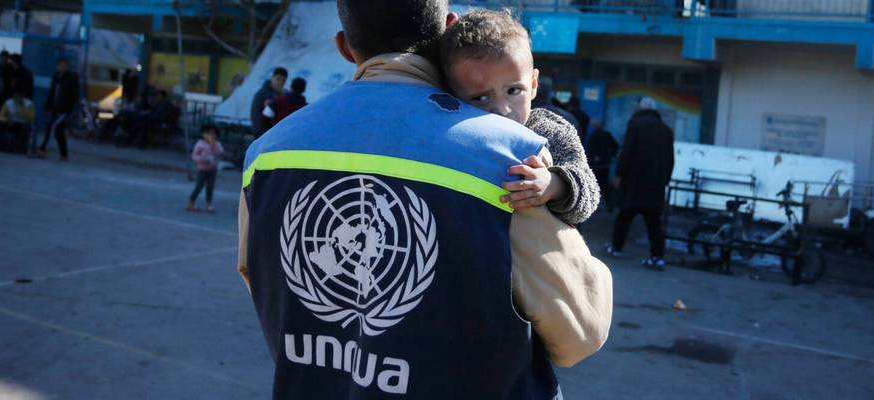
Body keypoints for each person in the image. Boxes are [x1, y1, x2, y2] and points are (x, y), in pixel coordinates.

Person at [237, 1, 612, 397]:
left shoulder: (267, 154)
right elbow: (581, 332)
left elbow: (269, 288)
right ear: (447, 27)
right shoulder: (512, 159)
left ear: (345, 47)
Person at [441, 8, 599, 226]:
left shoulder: (551, 131)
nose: (502, 109)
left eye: (513, 91)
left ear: (533, 85)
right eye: (480, 97)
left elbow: (589, 192)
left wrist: (553, 185)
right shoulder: (451, 134)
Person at [606, 97, 675, 269]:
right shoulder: (666, 130)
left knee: (624, 216)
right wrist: (664, 180)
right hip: (656, 184)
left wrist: (619, 174)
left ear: (640, 109)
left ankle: (616, 247)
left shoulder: (635, 124)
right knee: (654, 222)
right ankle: (657, 257)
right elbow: (670, 159)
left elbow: (627, 151)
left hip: (634, 182)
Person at [38, 58, 78, 160]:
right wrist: (48, 106)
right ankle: (64, 154)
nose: (62, 67)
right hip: (56, 108)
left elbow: (74, 95)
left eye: (64, 66)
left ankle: (43, 149)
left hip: (64, 110)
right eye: (60, 65)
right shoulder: (56, 77)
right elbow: (52, 92)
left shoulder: (71, 78)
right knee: (58, 131)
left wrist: (69, 108)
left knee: (51, 127)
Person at [188, 124, 224, 213]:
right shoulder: (200, 144)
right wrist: (202, 159)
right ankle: (191, 202)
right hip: (202, 169)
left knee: (210, 187)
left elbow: (220, 152)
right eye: (208, 133)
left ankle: (209, 204)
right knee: (199, 186)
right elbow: (194, 155)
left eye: (213, 134)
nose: (210, 136)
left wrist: (213, 144)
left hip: (212, 169)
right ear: (203, 134)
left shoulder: (217, 144)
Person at [585, 119, 619, 212]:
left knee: (592, 185)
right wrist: (611, 155)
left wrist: (589, 163)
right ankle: (609, 204)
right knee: (605, 185)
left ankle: (590, 206)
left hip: (595, 165)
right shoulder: (607, 135)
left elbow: (590, 151)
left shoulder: (593, 136)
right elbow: (615, 146)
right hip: (605, 164)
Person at [249, 67, 286, 137]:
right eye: (278, 79)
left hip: (269, 133)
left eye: (283, 81)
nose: (280, 83)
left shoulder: (278, 94)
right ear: (272, 78)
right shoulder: (264, 94)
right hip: (262, 134)